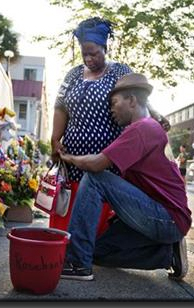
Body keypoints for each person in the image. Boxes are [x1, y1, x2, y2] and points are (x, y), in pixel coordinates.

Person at [59, 73, 191, 281]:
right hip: (163, 218)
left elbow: (97, 164)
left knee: (95, 179)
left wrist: (68, 157)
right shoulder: (146, 128)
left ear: (131, 100)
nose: (111, 109)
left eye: (114, 103)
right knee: (98, 251)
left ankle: (76, 264)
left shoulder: (142, 128)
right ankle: (167, 254)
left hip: (168, 217)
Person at [50, 17, 133, 233]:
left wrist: (156, 115)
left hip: (106, 160)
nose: (88, 58)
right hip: (73, 159)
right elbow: (60, 107)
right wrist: (55, 138)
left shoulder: (119, 71)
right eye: (84, 53)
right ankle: (66, 249)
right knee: (69, 212)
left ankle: (91, 252)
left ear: (105, 48)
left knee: (97, 212)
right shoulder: (74, 74)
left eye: (93, 53)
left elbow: (138, 100)